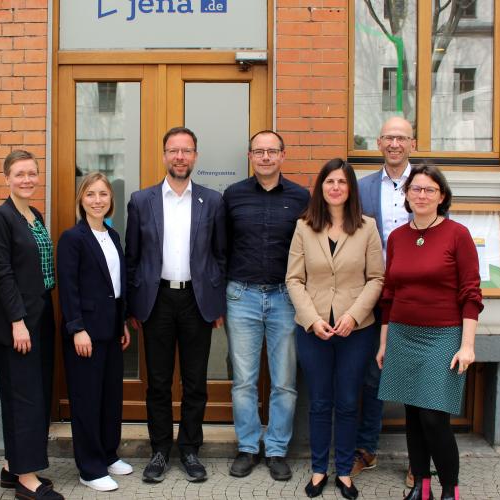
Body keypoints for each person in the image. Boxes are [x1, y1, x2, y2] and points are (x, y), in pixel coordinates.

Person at [125, 126, 227, 484]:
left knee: (195, 381)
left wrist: (217, 303)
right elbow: (133, 257)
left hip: (196, 301)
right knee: (158, 382)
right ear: (164, 155)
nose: (180, 157)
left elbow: (220, 256)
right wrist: (133, 306)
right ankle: (159, 450)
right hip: (157, 301)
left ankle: (190, 449)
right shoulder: (141, 201)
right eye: (173, 150)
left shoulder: (212, 201)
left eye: (186, 151)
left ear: (195, 156)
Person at [376, 163, 483, 500]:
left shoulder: (457, 234)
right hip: (402, 335)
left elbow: (471, 294)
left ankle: (450, 488)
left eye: (429, 190)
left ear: (441, 196)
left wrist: (467, 346)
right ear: (407, 196)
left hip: (443, 337)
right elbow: (389, 295)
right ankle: (421, 486)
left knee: (434, 417)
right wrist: (384, 343)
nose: (421, 195)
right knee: (412, 415)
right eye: (416, 189)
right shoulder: (397, 238)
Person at [286, 158, 384, 499]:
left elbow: (376, 278)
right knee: (319, 402)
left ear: (351, 188)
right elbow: (294, 279)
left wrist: (353, 316)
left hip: (355, 331)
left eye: (342, 182)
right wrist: (312, 319)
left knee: (347, 401)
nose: (336, 187)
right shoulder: (304, 226)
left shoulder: (367, 227)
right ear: (321, 187)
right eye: (330, 181)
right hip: (313, 330)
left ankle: (343, 471)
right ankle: (318, 470)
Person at [223, 130, 309, 481]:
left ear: (283, 155)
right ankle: (247, 446)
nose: (265, 157)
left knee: (284, 381)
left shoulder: (301, 197)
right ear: (250, 156)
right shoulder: (233, 195)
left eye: (272, 151)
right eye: (259, 151)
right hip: (241, 295)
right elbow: (221, 246)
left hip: (285, 297)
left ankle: (276, 449)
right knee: (243, 380)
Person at [0, 151, 63, 500]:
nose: (27, 179)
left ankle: (11, 467)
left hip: (40, 315)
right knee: (24, 399)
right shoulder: (0, 218)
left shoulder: (34, 215)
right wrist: (17, 321)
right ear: (7, 178)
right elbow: (0, 272)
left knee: (37, 393)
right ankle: (26, 480)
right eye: (19, 174)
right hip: (16, 322)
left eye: (32, 173)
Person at [57, 172, 134, 492]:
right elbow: (68, 288)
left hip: (111, 328)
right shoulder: (73, 238)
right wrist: (77, 328)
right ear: (81, 200)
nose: (97, 200)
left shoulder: (113, 236)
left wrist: (122, 322)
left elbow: (116, 284)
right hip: (85, 332)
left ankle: (107, 454)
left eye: (103, 194)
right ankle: (89, 468)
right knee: (87, 400)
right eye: (90, 194)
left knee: (109, 397)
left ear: (110, 199)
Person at [353, 116, 417, 483]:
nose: (395, 144)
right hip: (373, 294)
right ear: (378, 143)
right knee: (371, 376)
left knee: (415, 378)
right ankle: (366, 449)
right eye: (389, 138)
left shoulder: (425, 185)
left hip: (414, 296)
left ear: (412, 144)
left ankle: (417, 458)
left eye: (401, 138)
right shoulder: (362, 188)